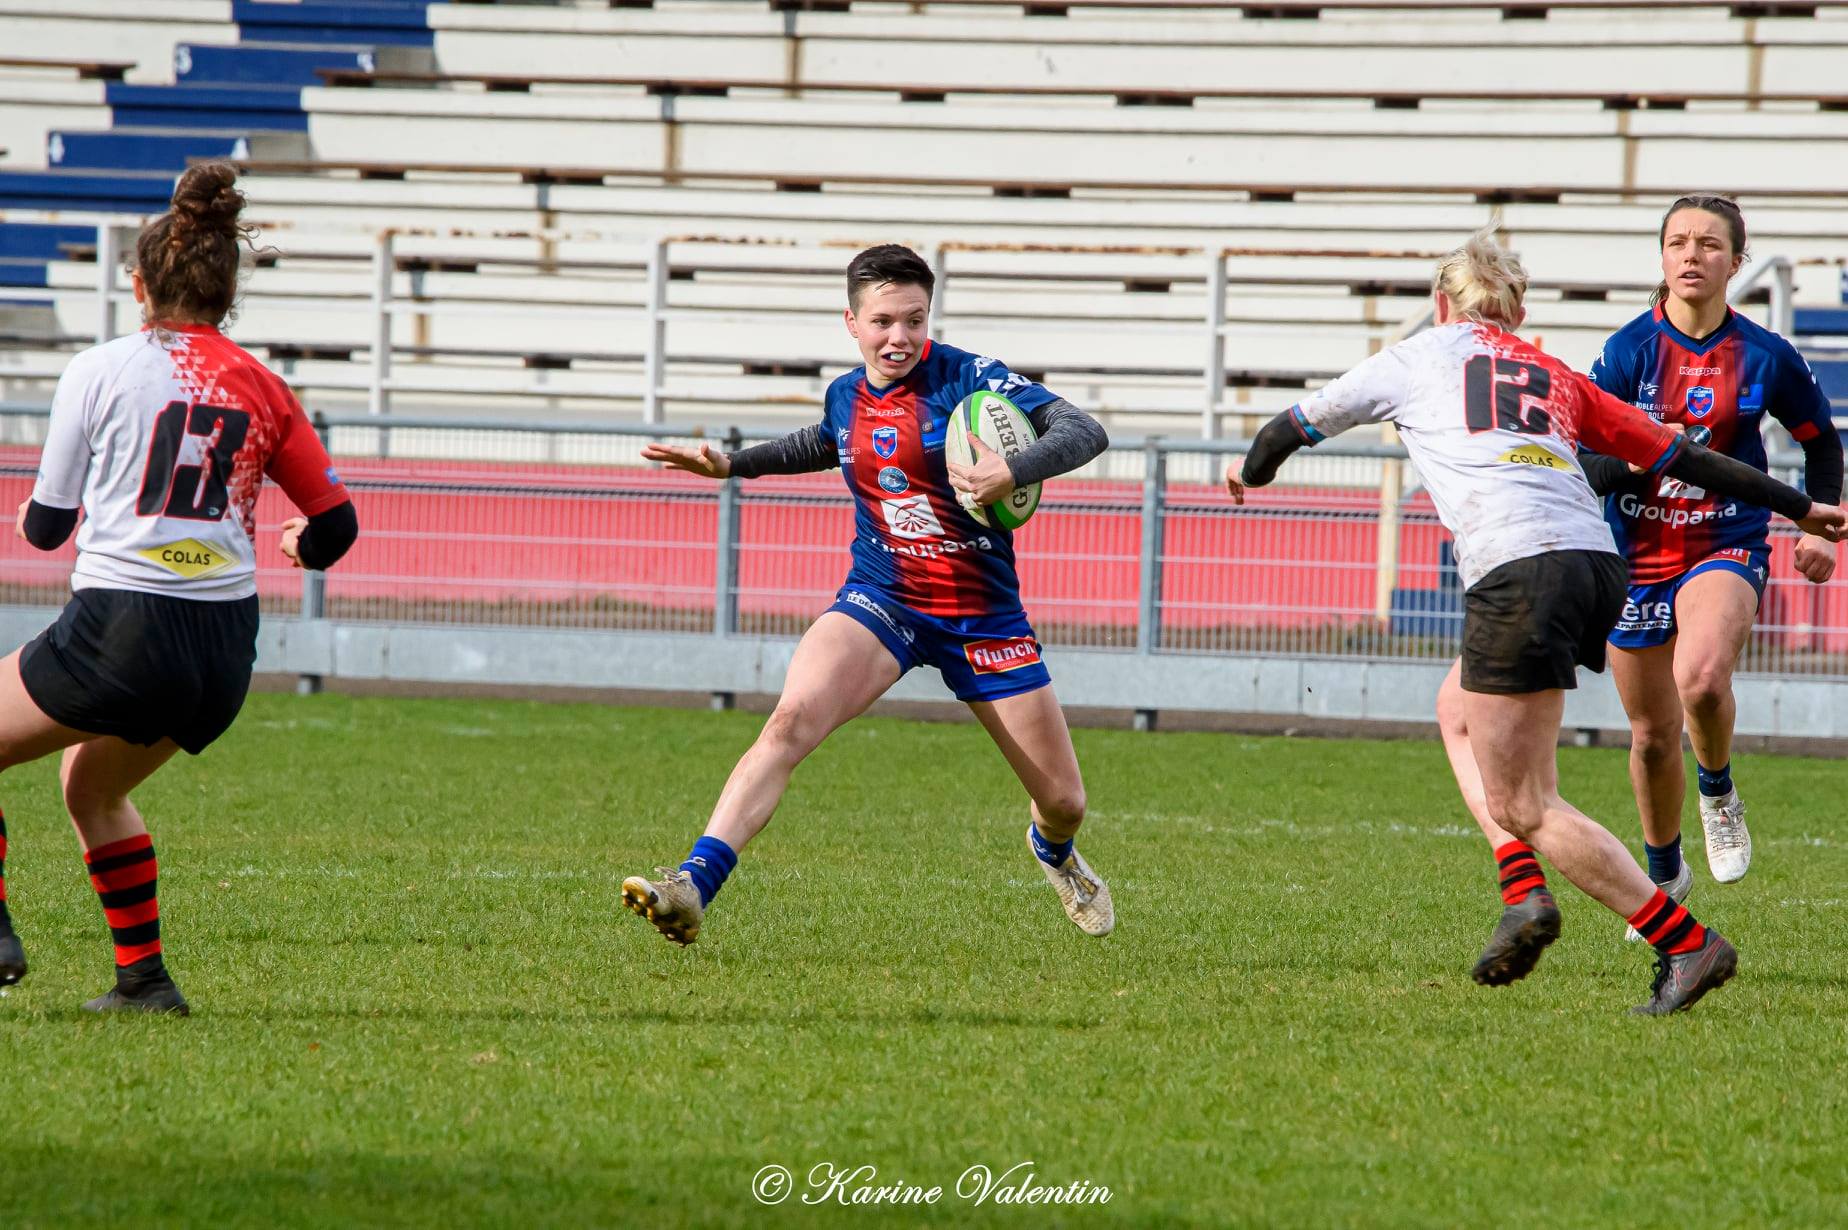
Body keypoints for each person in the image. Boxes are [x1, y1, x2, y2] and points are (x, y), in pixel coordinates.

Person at [1224, 231, 1844, 1015]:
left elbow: (1287, 429)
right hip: (1596, 562)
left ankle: (1684, 942)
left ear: (1442, 303)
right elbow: (1680, 456)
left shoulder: (1417, 356)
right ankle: (1525, 894)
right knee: (1457, 711)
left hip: (1520, 567)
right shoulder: (1551, 372)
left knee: (1526, 803)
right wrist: (1801, 506)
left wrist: (1249, 473)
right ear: (1514, 313)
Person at [622, 244, 1111, 946]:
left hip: (982, 616)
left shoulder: (970, 378)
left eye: (915, 319)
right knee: (790, 723)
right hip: (883, 600)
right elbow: (828, 442)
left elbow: (1085, 430)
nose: (900, 337)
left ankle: (1054, 851)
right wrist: (733, 464)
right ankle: (693, 883)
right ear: (850, 322)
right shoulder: (846, 393)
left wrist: (1016, 468)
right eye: (883, 321)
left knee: (1063, 801)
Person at [0, 164, 358, 1015]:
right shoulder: (265, 386)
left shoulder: (100, 369)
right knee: (93, 787)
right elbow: (335, 526)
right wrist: (304, 543)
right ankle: (145, 983)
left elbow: (49, 528)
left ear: (138, 283)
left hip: (124, 626)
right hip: (223, 650)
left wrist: (28, 522)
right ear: (227, 293)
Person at [1577, 195, 1841, 930]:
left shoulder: (1765, 354)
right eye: (1677, 242)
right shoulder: (1627, 351)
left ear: (1735, 260)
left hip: (1727, 537)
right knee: (1651, 735)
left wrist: (1817, 527)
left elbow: (1821, 441)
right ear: (1662, 258)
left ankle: (1719, 792)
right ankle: (1665, 875)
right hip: (1637, 551)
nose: (1691, 255)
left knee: (1700, 680)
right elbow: (1585, 461)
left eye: (1708, 244)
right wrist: (1639, 453)